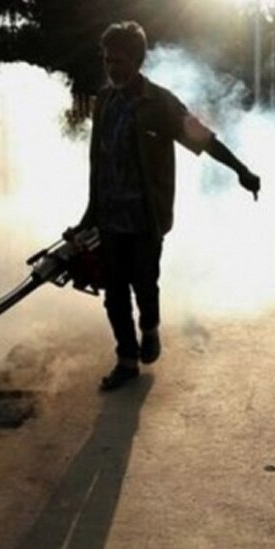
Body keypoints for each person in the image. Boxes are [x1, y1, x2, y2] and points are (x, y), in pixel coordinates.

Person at [73, 21, 261, 391]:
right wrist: (88, 216)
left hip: (145, 218)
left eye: (121, 61)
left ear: (138, 61)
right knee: (114, 294)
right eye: (108, 60)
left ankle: (150, 329)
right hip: (109, 218)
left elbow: (204, 139)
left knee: (145, 285)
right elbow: (99, 163)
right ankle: (126, 360)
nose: (113, 68)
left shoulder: (159, 103)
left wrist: (242, 170)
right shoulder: (105, 101)